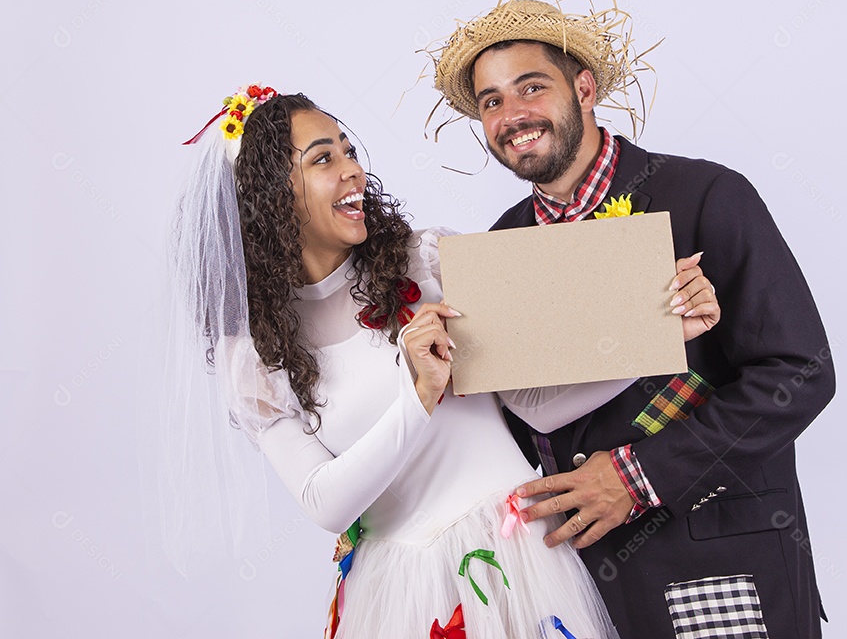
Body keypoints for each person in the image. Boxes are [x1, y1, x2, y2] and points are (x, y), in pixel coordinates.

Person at [168, 86, 719, 638]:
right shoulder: (256, 358)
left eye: (348, 150)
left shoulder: (427, 261)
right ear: (270, 197)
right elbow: (325, 504)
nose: (352, 170)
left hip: (516, 560)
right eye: (322, 159)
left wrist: (659, 335)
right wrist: (418, 395)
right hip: (400, 594)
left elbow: (533, 406)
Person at [430, 0, 836, 638]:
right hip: (582, 582)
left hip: (719, 559)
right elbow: (517, 425)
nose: (513, 115)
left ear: (584, 88)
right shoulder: (499, 246)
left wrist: (637, 476)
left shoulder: (707, 196)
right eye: (492, 101)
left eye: (532, 87)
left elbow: (800, 373)